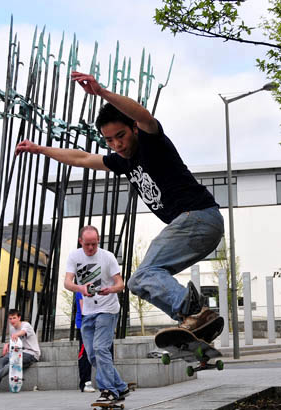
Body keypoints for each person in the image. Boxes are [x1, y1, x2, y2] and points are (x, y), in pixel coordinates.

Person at [15, 70, 224, 335]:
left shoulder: (151, 141)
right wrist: (41, 149)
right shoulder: (121, 161)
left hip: (198, 217)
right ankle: (192, 323)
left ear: (133, 129)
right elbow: (81, 158)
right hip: (198, 228)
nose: (117, 145)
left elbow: (143, 115)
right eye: (110, 140)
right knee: (138, 281)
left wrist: (101, 92)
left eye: (121, 136)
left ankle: (195, 311)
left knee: (147, 274)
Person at [64, 225, 129, 404]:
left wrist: (110, 289)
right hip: (88, 312)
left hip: (107, 310)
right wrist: (80, 288)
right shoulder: (74, 256)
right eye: (87, 245)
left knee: (101, 348)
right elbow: (67, 282)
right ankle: (121, 386)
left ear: (98, 241)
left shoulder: (107, 257)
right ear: (80, 242)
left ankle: (108, 390)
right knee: (92, 355)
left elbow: (121, 284)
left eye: (94, 244)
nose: (91, 248)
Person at [0, 309, 40, 393]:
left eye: (14, 318)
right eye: (10, 319)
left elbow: (23, 332)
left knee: (11, 363)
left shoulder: (26, 325)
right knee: (0, 360)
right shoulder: (12, 329)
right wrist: (7, 344)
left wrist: (16, 334)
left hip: (31, 354)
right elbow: (14, 342)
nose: (12, 320)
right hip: (18, 353)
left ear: (19, 318)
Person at [75, 292, 95, 393]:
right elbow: (84, 310)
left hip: (96, 323)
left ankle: (110, 380)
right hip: (85, 324)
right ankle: (85, 383)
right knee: (85, 353)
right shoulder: (81, 289)